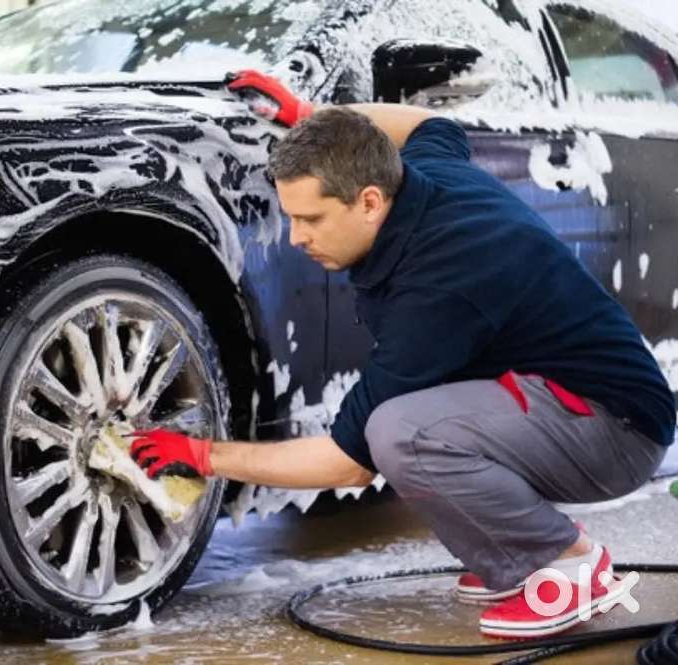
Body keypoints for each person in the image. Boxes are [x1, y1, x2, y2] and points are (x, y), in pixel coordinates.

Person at [128, 70, 675, 639]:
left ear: (369, 201)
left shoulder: (438, 290)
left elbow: (349, 461)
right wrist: (311, 115)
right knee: (408, 424)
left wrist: (202, 454)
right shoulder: (422, 175)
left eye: (311, 219)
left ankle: (569, 563)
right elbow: (432, 123)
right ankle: (513, 559)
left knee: (398, 432)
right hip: (568, 400)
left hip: (616, 432)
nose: (296, 237)